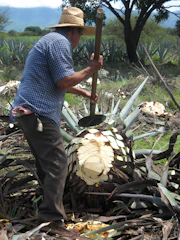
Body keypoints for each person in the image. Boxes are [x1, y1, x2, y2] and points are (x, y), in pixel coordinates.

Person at [10, 6, 103, 229]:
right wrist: (91, 69)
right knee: (57, 163)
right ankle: (51, 219)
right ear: (75, 32)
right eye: (80, 34)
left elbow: (56, 82)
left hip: (27, 112)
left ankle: (47, 205)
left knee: (46, 165)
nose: (79, 39)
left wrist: (83, 92)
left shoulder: (50, 40)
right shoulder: (60, 43)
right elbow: (63, 81)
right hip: (38, 113)